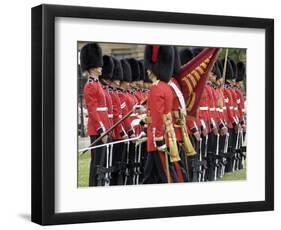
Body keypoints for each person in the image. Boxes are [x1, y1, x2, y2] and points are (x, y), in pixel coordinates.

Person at [142, 45, 180, 184]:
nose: (147, 71)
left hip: (157, 137)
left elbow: (158, 116)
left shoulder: (156, 88)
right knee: (149, 176)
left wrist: (158, 137)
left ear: (153, 69)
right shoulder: (166, 87)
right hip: (164, 134)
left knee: (167, 174)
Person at [80, 43, 110, 186]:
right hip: (98, 129)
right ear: (92, 66)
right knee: (97, 163)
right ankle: (93, 186)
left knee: (102, 163)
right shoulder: (90, 86)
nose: (101, 67)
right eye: (99, 65)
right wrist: (101, 130)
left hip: (103, 126)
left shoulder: (97, 84)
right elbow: (92, 111)